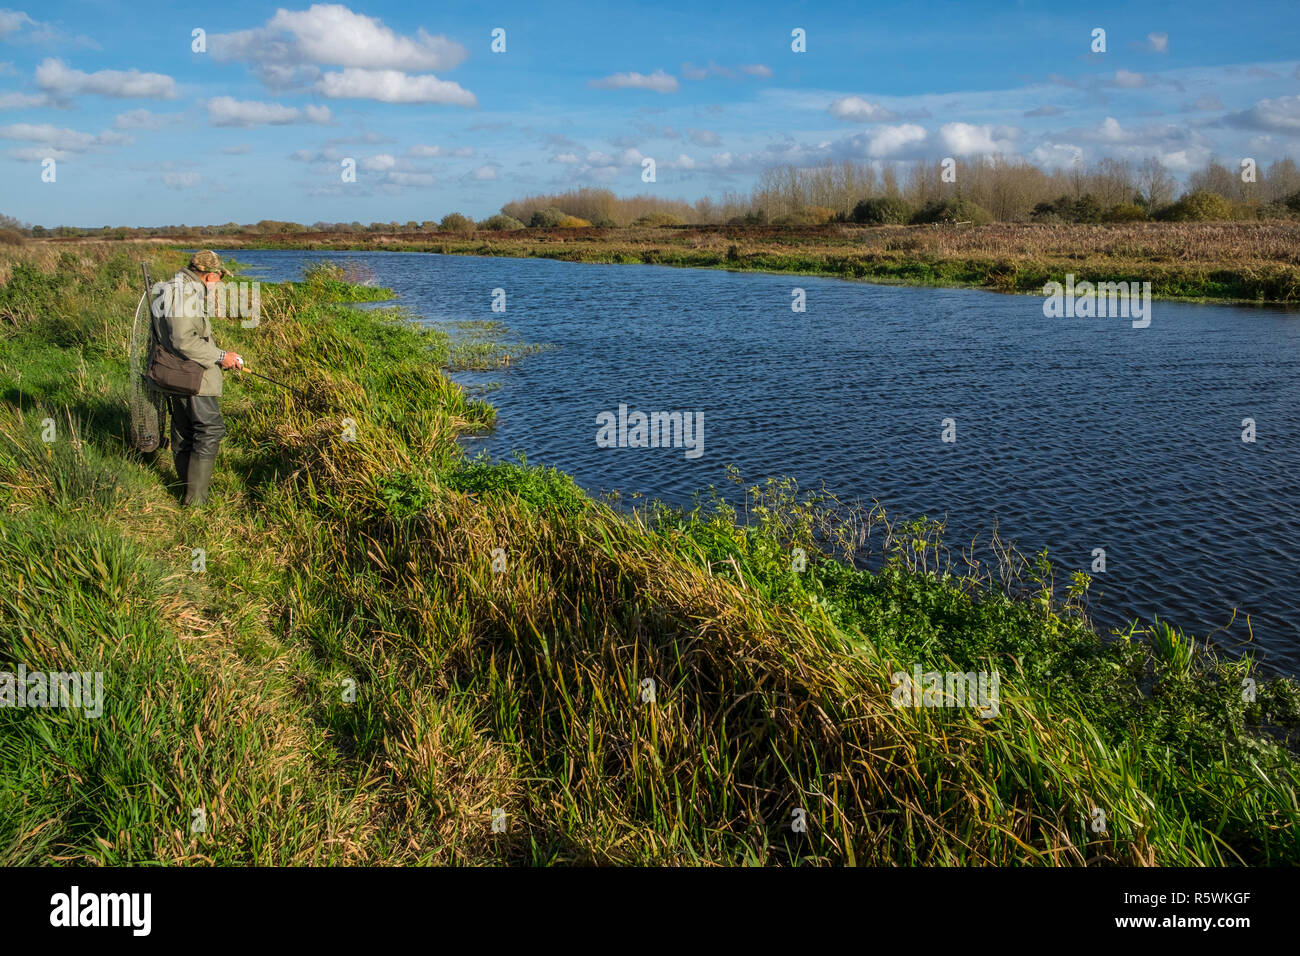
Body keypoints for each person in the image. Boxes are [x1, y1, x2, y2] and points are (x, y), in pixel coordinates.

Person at [159, 250, 242, 506]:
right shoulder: (184, 293)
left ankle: (189, 492)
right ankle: (196, 501)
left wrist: (221, 356)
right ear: (209, 275)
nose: (220, 283)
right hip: (190, 374)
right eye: (219, 278)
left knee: (186, 430)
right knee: (210, 429)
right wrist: (220, 356)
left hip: (178, 370)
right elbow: (183, 340)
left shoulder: (181, 286)